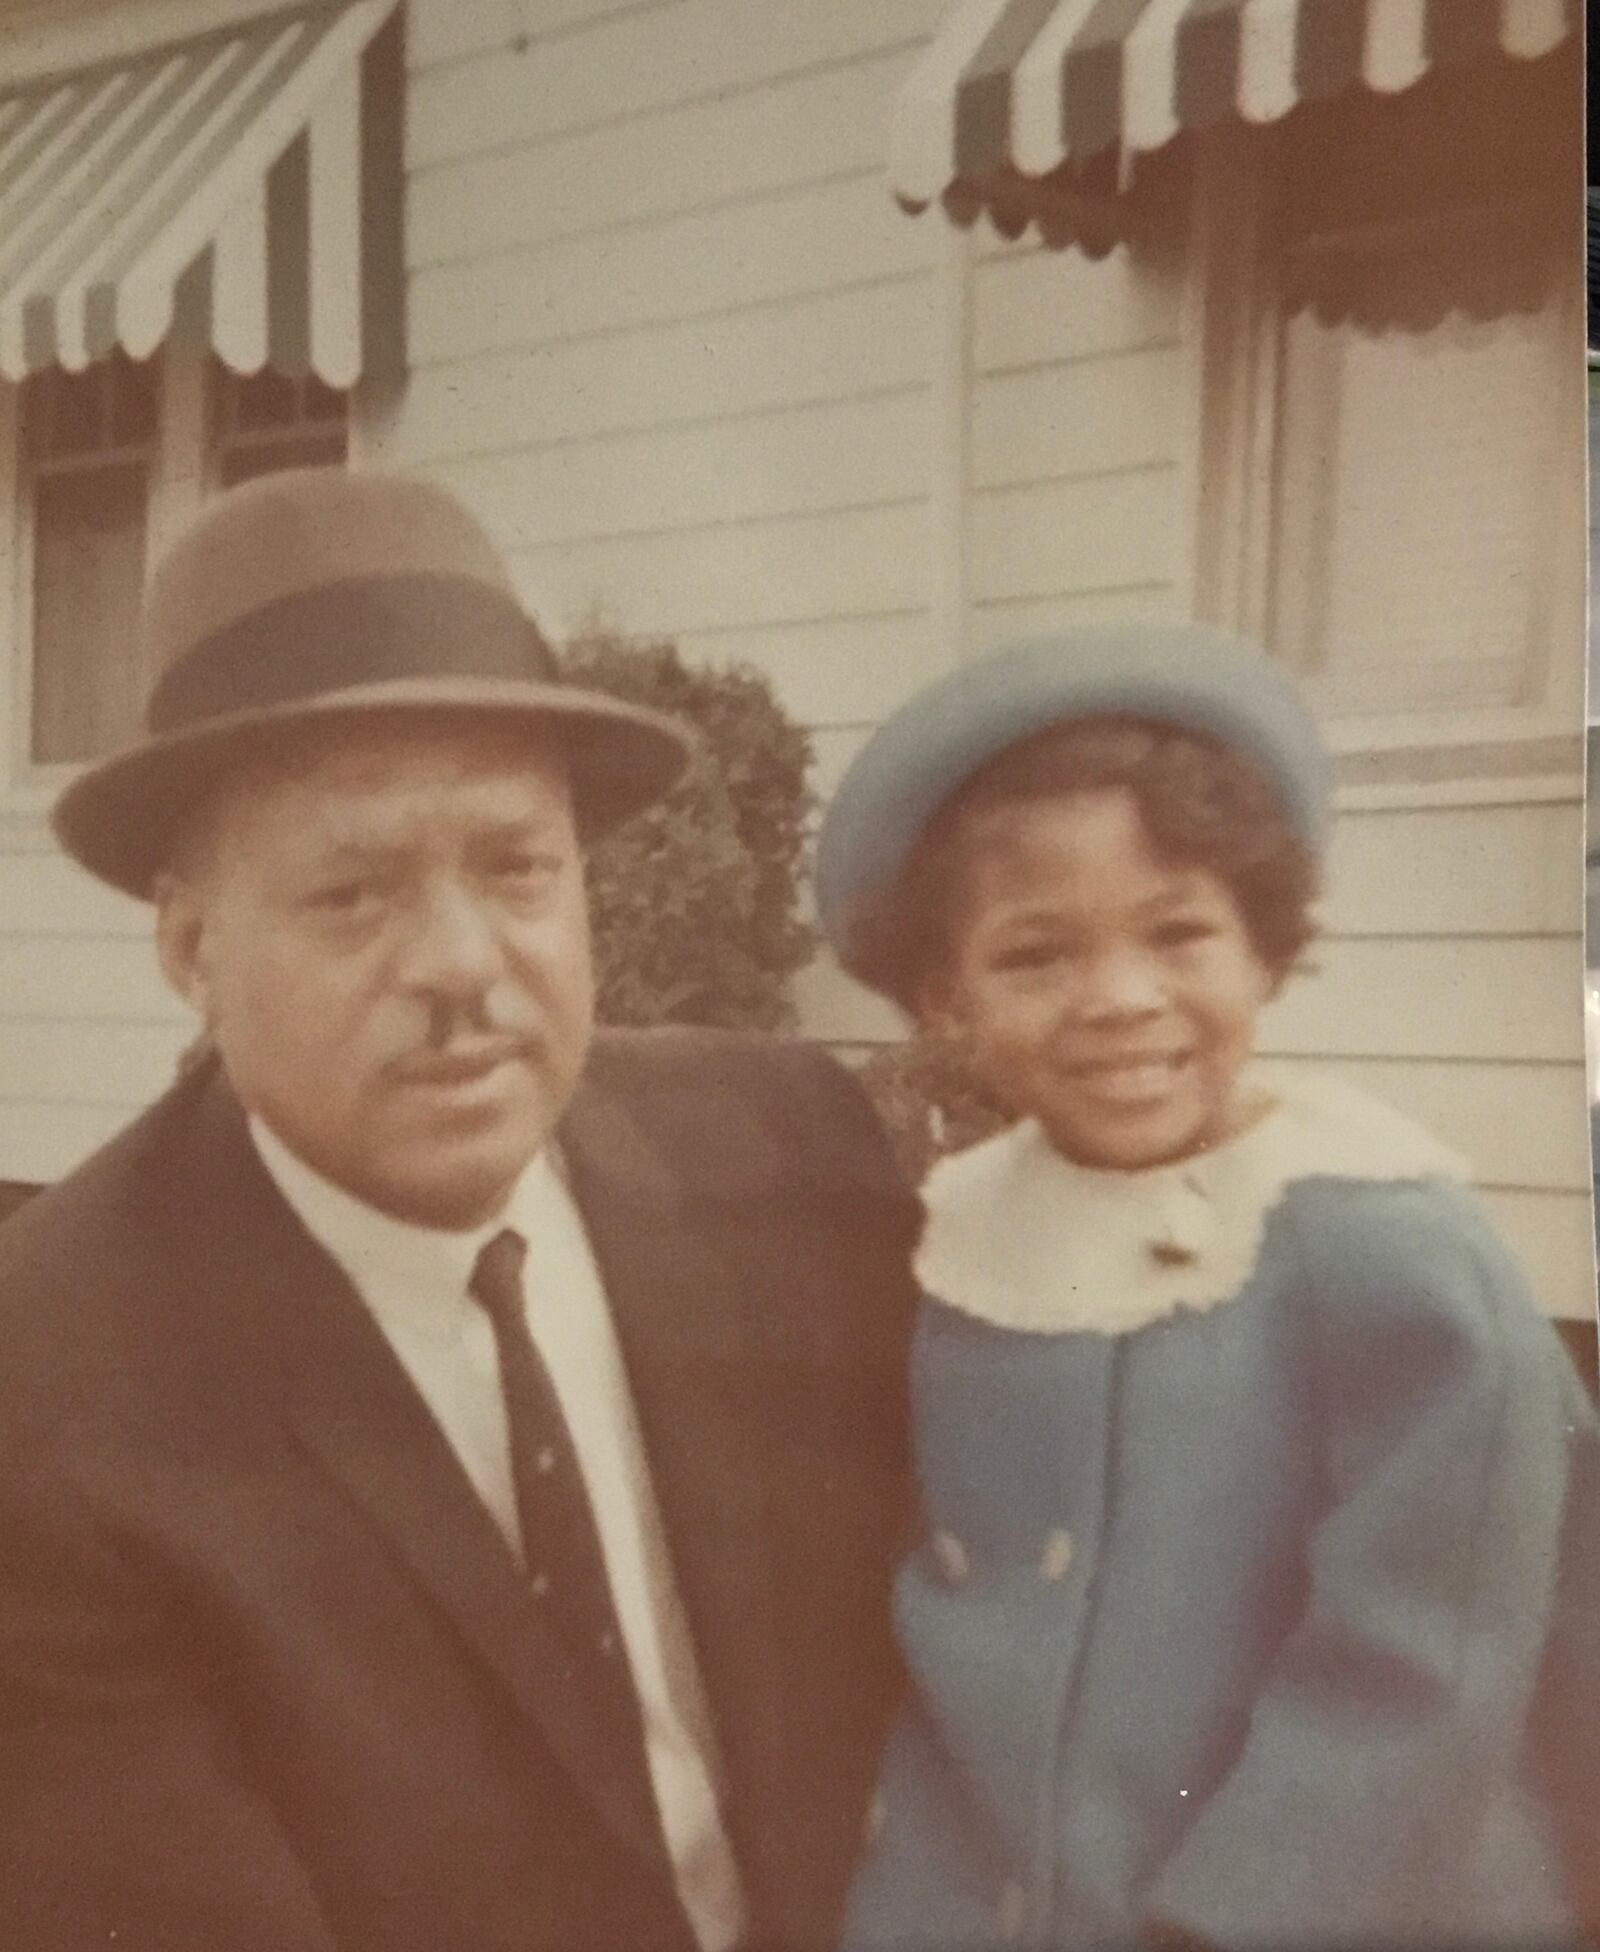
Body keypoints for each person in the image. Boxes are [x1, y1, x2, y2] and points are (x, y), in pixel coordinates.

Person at [0, 469, 919, 1952]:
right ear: (190, 945)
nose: (462, 962)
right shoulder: (46, 1396)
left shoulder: (789, 1158)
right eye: (352, 894)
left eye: (518, 869)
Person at [812, 625, 1600, 1951]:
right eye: (1036, 956)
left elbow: (1420, 1673)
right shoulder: (949, 1249)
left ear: (1267, 953)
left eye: (1179, 934)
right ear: (947, 998)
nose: (1120, 998)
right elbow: (945, 1651)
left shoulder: (1388, 1255)